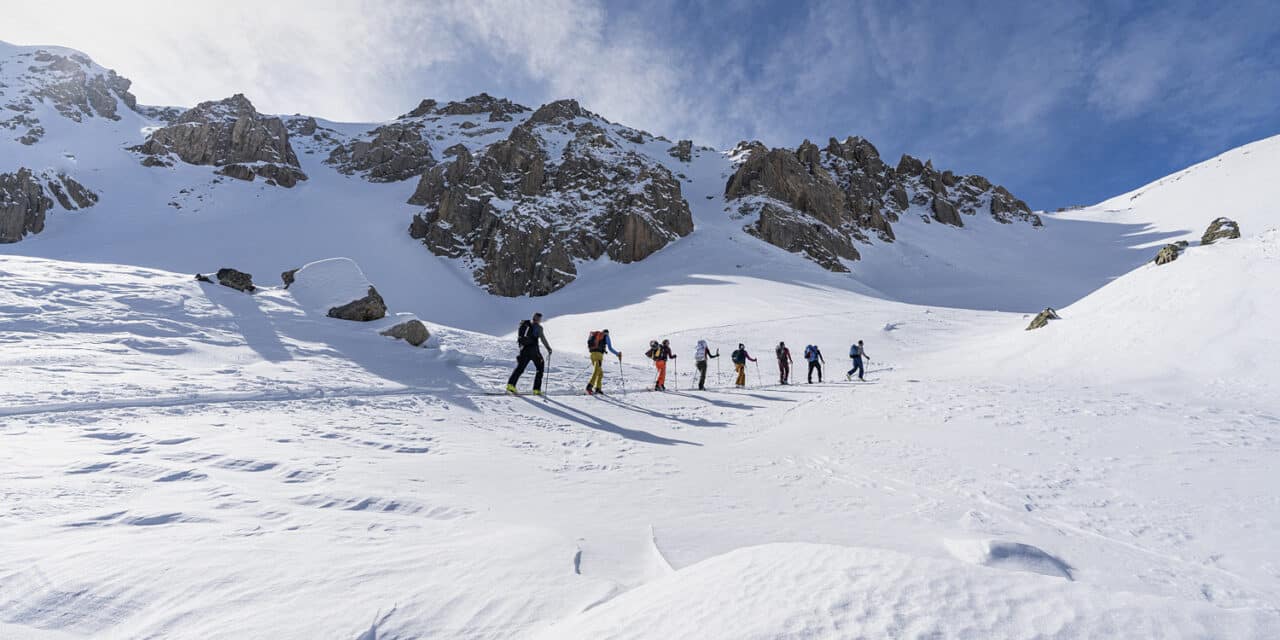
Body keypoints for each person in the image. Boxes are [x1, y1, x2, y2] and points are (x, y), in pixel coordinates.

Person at [507, 313, 553, 394]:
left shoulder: (525, 324)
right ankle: (536, 389)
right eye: (540, 318)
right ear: (538, 319)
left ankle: (510, 385)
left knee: (520, 368)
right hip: (534, 351)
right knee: (540, 368)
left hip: (524, 350)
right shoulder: (538, 328)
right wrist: (548, 348)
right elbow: (542, 339)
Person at [585, 329, 621, 395]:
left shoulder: (595, 336)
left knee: (600, 373)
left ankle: (598, 388)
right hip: (598, 355)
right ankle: (589, 386)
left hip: (592, 355)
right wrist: (617, 353)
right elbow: (610, 348)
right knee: (596, 371)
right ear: (607, 333)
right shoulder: (606, 336)